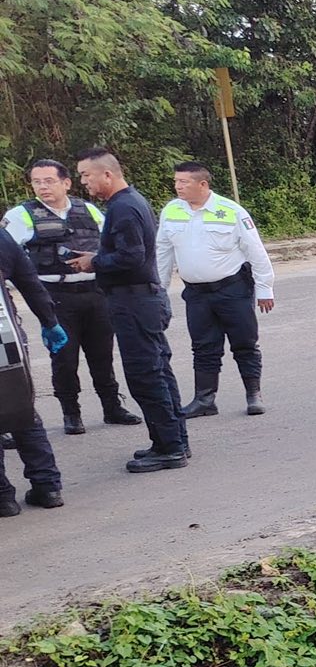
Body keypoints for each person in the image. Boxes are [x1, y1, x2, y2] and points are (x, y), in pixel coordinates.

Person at [3, 159, 142, 435]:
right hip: (56, 295)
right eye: (36, 182)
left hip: (94, 292)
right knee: (64, 357)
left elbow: (108, 244)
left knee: (102, 354)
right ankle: (71, 413)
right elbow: (6, 256)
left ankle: (112, 406)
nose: (42, 187)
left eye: (49, 181)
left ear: (66, 183)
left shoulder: (88, 209)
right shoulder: (21, 216)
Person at [71, 149, 188, 472]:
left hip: (134, 302)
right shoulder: (128, 202)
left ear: (107, 175)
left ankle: (171, 448)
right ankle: (171, 439)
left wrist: (93, 261)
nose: (84, 182)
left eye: (86, 175)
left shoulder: (124, 207)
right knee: (159, 371)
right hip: (140, 299)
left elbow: (131, 257)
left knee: (146, 375)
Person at [156, 162, 274, 417]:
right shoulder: (172, 211)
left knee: (244, 343)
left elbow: (256, 251)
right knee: (203, 346)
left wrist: (265, 289)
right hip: (197, 294)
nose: (178, 186)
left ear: (202, 184)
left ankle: (254, 394)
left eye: (184, 182)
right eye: (176, 181)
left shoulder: (230, 211)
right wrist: (159, 290)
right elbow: (163, 252)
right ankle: (204, 400)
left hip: (232, 289)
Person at [0, 227, 68, 512]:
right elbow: (29, 282)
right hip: (5, 335)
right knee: (21, 408)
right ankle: (47, 486)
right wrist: (50, 321)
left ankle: (3, 498)